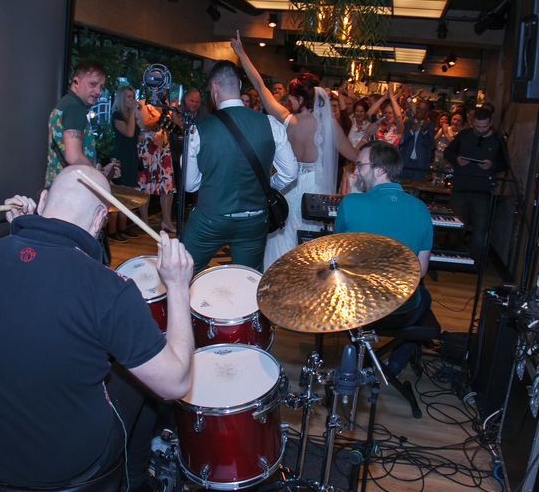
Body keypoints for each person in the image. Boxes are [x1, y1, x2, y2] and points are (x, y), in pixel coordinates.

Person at [0, 165, 195, 492]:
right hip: (67, 464)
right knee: (141, 373)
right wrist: (178, 286)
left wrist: (21, 234)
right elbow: (177, 384)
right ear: (99, 220)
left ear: (42, 200)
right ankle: (133, 486)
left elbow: (24, 299)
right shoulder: (108, 289)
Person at [230, 32, 361, 269]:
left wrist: (241, 53)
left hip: (288, 190)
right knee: (311, 246)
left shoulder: (286, 119)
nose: (288, 98)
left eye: (292, 95)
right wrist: (366, 138)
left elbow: (259, 86)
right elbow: (355, 156)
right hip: (315, 194)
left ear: (302, 98)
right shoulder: (328, 126)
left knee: (282, 239)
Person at [182, 56, 298, 273]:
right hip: (253, 222)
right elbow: (290, 173)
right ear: (239, 85)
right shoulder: (271, 124)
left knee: (182, 271)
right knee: (248, 279)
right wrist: (265, 186)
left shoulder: (197, 129)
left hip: (210, 219)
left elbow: (190, 185)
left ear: (213, 88)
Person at [334, 141, 433, 380]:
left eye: (360, 166)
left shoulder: (350, 202)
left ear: (380, 170)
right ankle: (394, 365)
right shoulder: (422, 209)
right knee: (424, 297)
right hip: (400, 311)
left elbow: (338, 256)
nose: (356, 172)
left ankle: (361, 358)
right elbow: (420, 271)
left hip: (357, 308)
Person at [443, 106, 508, 263]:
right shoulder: (464, 135)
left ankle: (476, 262)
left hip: (482, 192)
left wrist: (492, 165)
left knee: (480, 230)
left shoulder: (497, 139)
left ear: (490, 123)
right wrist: (457, 159)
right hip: (460, 189)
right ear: (472, 123)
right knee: (456, 227)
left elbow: (505, 164)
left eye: (484, 127)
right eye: (478, 127)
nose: (481, 130)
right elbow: (447, 152)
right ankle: (452, 259)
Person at [45, 60, 106, 188]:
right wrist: (100, 176)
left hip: (58, 185)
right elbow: (74, 157)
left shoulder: (65, 104)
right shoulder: (75, 108)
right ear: (76, 81)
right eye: (92, 84)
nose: (98, 91)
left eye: (101, 86)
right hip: (70, 189)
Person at [137, 96, 177, 234]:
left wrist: (172, 112)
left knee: (167, 185)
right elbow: (146, 125)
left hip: (162, 148)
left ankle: (166, 220)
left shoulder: (165, 107)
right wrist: (162, 117)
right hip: (148, 149)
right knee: (145, 185)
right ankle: (144, 221)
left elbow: (175, 127)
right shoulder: (143, 104)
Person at [108, 86, 141, 243]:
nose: (131, 100)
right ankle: (112, 230)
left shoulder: (129, 115)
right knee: (119, 193)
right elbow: (128, 133)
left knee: (129, 193)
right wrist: (133, 113)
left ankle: (123, 227)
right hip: (121, 156)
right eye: (128, 97)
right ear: (121, 98)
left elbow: (133, 135)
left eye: (133, 96)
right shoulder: (117, 114)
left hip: (131, 155)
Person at [398, 98, 436, 181]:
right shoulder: (407, 124)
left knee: (417, 187)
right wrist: (411, 131)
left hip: (420, 164)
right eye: (419, 108)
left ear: (427, 112)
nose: (420, 111)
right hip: (406, 162)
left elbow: (430, 146)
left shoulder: (431, 126)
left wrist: (425, 131)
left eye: (423, 109)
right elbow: (400, 142)